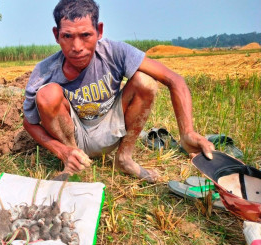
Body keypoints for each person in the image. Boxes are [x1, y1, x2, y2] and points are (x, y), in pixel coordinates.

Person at [23, 0, 215, 183]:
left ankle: (124, 159)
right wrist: (62, 151)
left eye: (85, 35)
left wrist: (187, 132)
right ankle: (75, 162)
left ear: (99, 31)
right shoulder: (44, 70)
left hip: (112, 126)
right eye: (67, 36)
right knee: (47, 94)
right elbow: (29, 123)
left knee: (145, 81)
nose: (77, 47)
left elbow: (174, 80)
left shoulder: (114, 52)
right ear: (56, 35)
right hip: (74, 134)